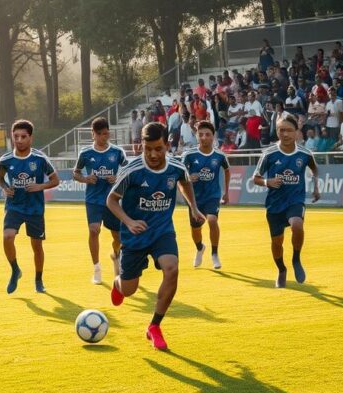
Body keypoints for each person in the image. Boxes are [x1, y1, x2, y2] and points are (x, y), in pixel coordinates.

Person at [107, 122, 204, 351]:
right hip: (134, 235)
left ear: (167, 145)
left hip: (162, 231)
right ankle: (117, 282)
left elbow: (185, 183)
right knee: (129, 290)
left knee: (172, 269)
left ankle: (154, 326)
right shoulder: (132, 170)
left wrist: (193, 207)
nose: (152, 154)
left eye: (158, 148)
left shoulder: (177, 167)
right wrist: (129, 222)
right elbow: (111, 200)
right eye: (147, 148)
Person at [253, 115, 321, 288]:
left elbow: (314, 169)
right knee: (277, 242)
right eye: (281, 130)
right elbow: (256, 177)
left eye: (289, 130)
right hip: (274, 204)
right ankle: (282, 270)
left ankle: (296, 259)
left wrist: (315, 187)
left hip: (295, 200)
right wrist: (268, 182)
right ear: (277, 132)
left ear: (296, 132)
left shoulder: (305, 153)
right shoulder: (269, 153)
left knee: (297, 224)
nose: (285, 134)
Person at [0, 119, 60, 295]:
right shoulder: (6, 160)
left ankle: (38, 280)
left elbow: (55, 180)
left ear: (30, 138)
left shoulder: (40, 159)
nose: (19, 140)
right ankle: (15, 269)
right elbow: (0, 178)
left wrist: (40, 186)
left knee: (37, 246)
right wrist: (5, 188)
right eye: (16, 136)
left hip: (35, 209)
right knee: (8, 236)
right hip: (14, 206)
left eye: (23, 136)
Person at [73, 117, 127, 284]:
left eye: (107, 133)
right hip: (93, 199)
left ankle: (116, 255)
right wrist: (86, 179)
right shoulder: (86, 153)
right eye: (101, 134)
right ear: (93, 134)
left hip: (113, 200)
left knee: (118, 237)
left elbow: (128, 172)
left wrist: (117, 178)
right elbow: (76, 173)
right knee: (94, 230)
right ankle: (96, 268)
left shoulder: (117, 152)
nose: (105, 136)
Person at [182, 121, 230, 270]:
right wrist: (189, 176)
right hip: (194, 199)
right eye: (200, 134)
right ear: (197, 136)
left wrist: (226, 192)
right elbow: (180, 173)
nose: (204, 137)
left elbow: (227, 170)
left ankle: (214, 254)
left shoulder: (220, 155)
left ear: (213, 137)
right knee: (196, 230)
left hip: (213, 195)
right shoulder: (188, 154)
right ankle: (199, 248)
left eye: (207, 134)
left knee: (212, 220)